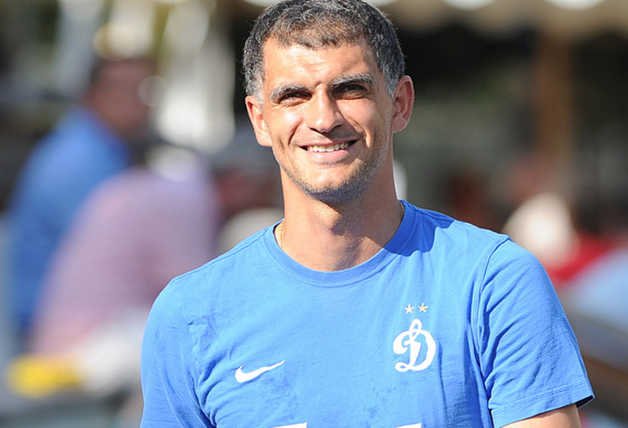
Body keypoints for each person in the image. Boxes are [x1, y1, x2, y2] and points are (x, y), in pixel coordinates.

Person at [140, 1, 593, 426]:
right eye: (294, 95)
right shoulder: (192, 313)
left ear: (399, 103)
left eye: (349, 89)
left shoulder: (492, 282)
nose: (323, 118)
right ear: (260, 119)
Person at [7, 55, 154, 341]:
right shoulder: (79, 160)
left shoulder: (99, 147)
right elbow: (116, 252)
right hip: (54, 327)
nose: (144, 103)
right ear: (94, 94)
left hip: (62, 316)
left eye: (147, 90)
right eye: (130, 90)